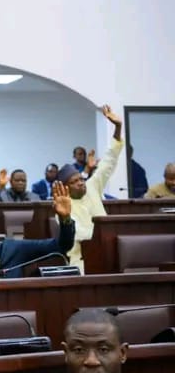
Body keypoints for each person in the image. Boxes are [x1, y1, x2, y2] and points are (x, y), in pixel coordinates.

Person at [29, 309, 157, 373]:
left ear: (122, 353)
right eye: (79, 350)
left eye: (103, 349)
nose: (91, 361)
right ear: (66, 353)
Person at [57, 105, 123, 270]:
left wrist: (118, 127)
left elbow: (109, 161)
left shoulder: (92, 187)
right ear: (65, 188)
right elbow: (82, 235)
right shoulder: (63, 208)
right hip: (81, 261)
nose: (81, 182)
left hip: (108, 253)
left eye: (81, 179)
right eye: (75, 181)